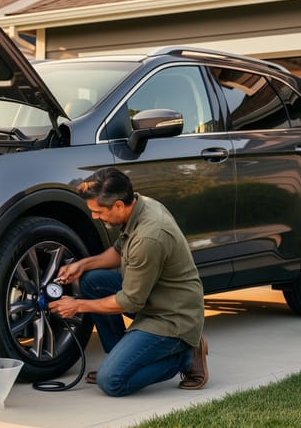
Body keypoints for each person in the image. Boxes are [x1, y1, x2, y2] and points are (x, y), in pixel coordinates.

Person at [48, 167, 208, 397]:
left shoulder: (149, 236)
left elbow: (129, 302)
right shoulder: (139, 206)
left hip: (172, 316)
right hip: (155, 296)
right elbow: (119, 252)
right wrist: (82, 265)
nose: (94, 216)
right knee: (92, 281)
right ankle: (119, 358)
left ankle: (184, 356)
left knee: (111, 381)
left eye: (98, 211)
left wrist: (77, 305)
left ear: (118, 206)